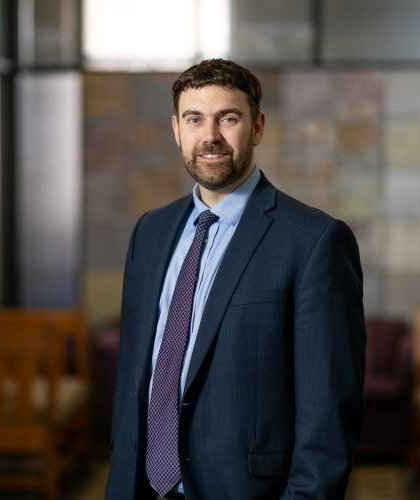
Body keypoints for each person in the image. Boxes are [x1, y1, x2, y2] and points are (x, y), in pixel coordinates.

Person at [105, 59, 366, 500]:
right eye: (194, 119)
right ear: (176, 130)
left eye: (228, 118)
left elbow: (328, 414)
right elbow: (134, 377)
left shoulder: (314, 241)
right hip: (143, 488)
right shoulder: (148, 233)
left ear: (258, 127)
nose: (210, 136)